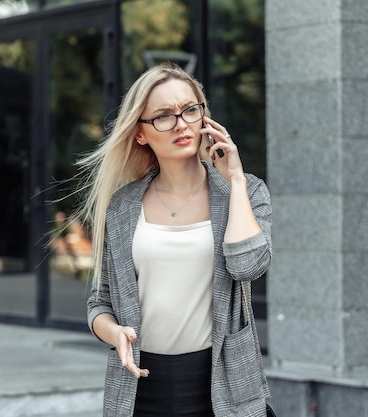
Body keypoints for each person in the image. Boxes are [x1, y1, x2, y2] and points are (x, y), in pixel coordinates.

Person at [80, 63, 272, 417]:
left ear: (204, 117)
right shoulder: (122, 207)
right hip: (140, 384)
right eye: (164, 116)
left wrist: (236, 181)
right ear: (140, 133)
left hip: (222, 385)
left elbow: (249, 266)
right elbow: (99, 302)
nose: (181, 123)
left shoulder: (245, 192)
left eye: (190, 109)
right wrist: (114, 333)